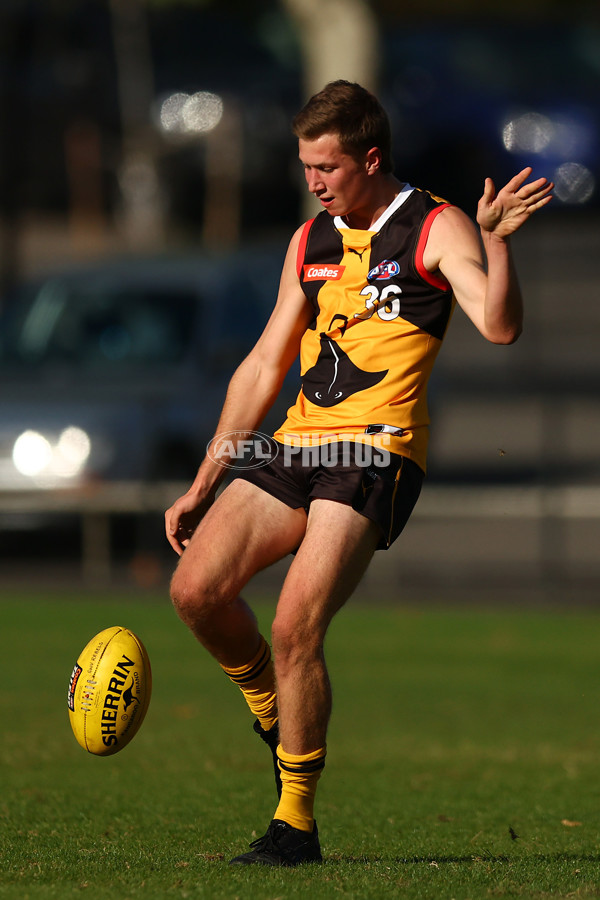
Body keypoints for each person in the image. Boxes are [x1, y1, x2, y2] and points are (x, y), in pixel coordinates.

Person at [165, 80, 553, 867]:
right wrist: (206, 479)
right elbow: (266, 361)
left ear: (370, 159)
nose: (313, 182)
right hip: (297, 443)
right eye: (306, 166)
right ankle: (273, 706)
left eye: (327, 168)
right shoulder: (310, 242)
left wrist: (498, 242)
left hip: (375, 451)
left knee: (295, 624)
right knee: (195, 592)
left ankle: (294, 826)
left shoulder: (436, 226)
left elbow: (500, 327)